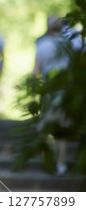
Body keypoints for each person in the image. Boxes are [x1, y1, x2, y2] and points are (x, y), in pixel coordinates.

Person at [33, 16, 73, 175]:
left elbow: (35, 72)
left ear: (48, 27)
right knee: (62, 129)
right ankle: (61, 164)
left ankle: (48, 161)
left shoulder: (42, 45)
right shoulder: (69, 44)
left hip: (49, 91)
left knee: (45, 128)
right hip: (65, 91)